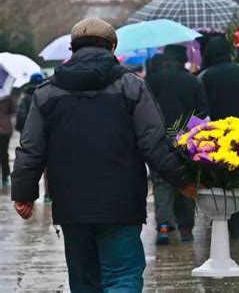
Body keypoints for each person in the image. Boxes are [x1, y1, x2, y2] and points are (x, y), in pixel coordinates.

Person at [11, 17, 186, 292]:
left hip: (71, 206)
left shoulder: (46, 92)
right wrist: (184, 180)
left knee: (84, 282)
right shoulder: (132, 87)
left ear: (72, 48)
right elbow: (154, 143)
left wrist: (23, 192)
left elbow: (31, 148)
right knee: (123, 276)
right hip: (121, 204)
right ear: (112, 46)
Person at [146, 45, 208, 245]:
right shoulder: (193, 81)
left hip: (159, 139)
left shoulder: (152, 80)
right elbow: (202, 112)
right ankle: (186, 229)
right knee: (187, 181)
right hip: (187, 138)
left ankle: (163, 226)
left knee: (162, 182)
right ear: (184, 61)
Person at [199, 36, 239, 239]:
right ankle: (237, 223)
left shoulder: (204, 76)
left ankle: (220, 218)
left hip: (215, 134)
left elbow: (201, 107)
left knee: (218, 177)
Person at [15, 73, 51, 202]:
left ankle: (30, 196)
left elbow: (20, 115)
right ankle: (47, 194)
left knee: (30, 160)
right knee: (47, 166)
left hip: (28, 134)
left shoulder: (25, 96)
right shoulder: (46, 93)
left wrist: (22, 131)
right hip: (46, 134)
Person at [0, 91, 15, 186]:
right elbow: (13, 110)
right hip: (5, 128)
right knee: (4, 153)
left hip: (4, 128)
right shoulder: (8, 94)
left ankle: (5, 176)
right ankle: (5, 177)